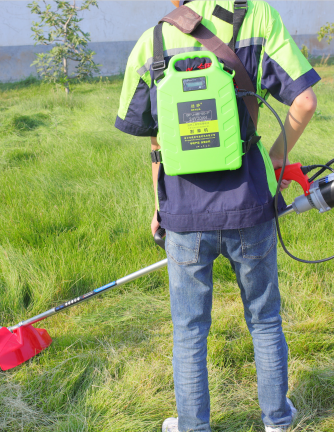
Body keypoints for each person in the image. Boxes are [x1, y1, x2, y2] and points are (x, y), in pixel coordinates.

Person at [115, 1, 319, 431]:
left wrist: (160, 204)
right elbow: (304, 101)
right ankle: (278, 420)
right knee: (264, 320)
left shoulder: (152, 40)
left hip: (184, 215)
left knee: (189, 329)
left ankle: (193, 426)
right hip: (250, 204)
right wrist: (276, 158)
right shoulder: (258, 15)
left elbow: (156, 140)